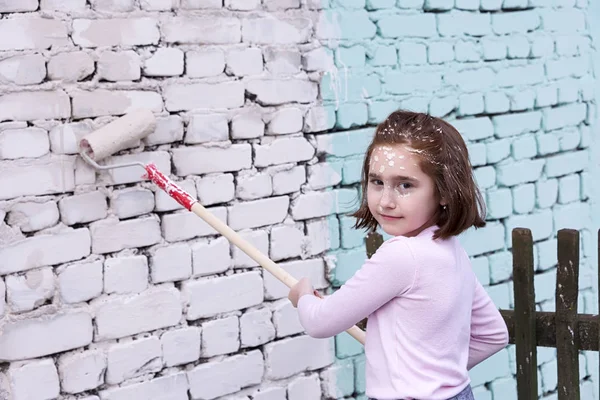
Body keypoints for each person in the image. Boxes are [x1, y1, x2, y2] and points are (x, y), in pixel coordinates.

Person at [288, 110, 509, 400]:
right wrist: (431, 374)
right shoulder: (450, 250)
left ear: (444, 191)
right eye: (377, 182)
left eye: (405, 185)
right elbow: (494, 334)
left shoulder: (402, 255)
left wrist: (303, 296)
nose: (386, 201)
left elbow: (320, 322)